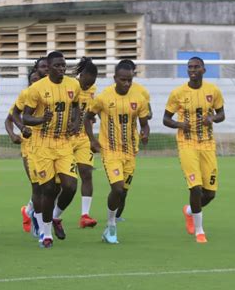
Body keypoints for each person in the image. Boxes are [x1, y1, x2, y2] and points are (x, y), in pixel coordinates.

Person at [84, 60, 150, 244]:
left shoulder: (139, 98)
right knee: (117, 188)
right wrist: (92, 140)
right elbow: (87, 118)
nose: (127, 83)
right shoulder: (103, 97)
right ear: (115, 78)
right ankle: (111, 225)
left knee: (122, 193)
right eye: (123, 80)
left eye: (129, 80)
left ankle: (109, 228)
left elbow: (145, 124)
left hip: (130, 152)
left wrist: (145, 134)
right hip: (110, 151)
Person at [163, 57, 225, 244]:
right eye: (190, 67)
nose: (193, 70)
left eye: (196, 67)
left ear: (203, 70)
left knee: (210, 193)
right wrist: (180, 124)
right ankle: (200, 231)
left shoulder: (213, 91)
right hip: (187, 144)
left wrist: (212, 119)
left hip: (207, 144)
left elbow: (222, 114)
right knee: (195, 187)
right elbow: (166, 119)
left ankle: (189, 211)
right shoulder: (178, 93)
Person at [23, 51, 81, 248]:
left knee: (71, 186)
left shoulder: (73, 85)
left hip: (63, 143)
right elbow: (25, 117)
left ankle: (56, 216)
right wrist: (41, 120)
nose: (61, 69)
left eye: (63, 65)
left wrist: (75, 121)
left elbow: (75, 107)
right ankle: (46, 234)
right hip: (42, 144)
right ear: (49, 67)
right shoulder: (37, 88)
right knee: (48, 189)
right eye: (57, 65)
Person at [111, 59, 152, 222]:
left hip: (131, 143)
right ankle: (111, 219)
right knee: (117, 185)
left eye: (131, 76)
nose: (127, 81)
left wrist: (142, 125)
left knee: (125, 187)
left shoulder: (141, 92)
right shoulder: (109, 93)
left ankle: (118, 215)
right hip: (112, 146)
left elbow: (149, 115)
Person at [5, 70, 42, 235]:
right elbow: (10, 118)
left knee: (54, 187)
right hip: (29, 147)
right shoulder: (25, 95)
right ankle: (38, 224)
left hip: (50, 147)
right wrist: (15, 133)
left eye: (38, 79)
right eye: (32, 80)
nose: (36, 82)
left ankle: (28, 210)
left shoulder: (51, 94)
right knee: (38, 186)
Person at [72, 57, 98, 228]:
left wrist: (92, 138)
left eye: (92, 83)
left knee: (86, 173)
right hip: (64, 138)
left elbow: (90, 112)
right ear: (82, 75)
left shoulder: (92, 90)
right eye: (87, 82)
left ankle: (85, 215)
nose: (89, 86)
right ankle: (30, 210)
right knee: (58, 184)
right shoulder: (69, 86)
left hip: (83, 137)